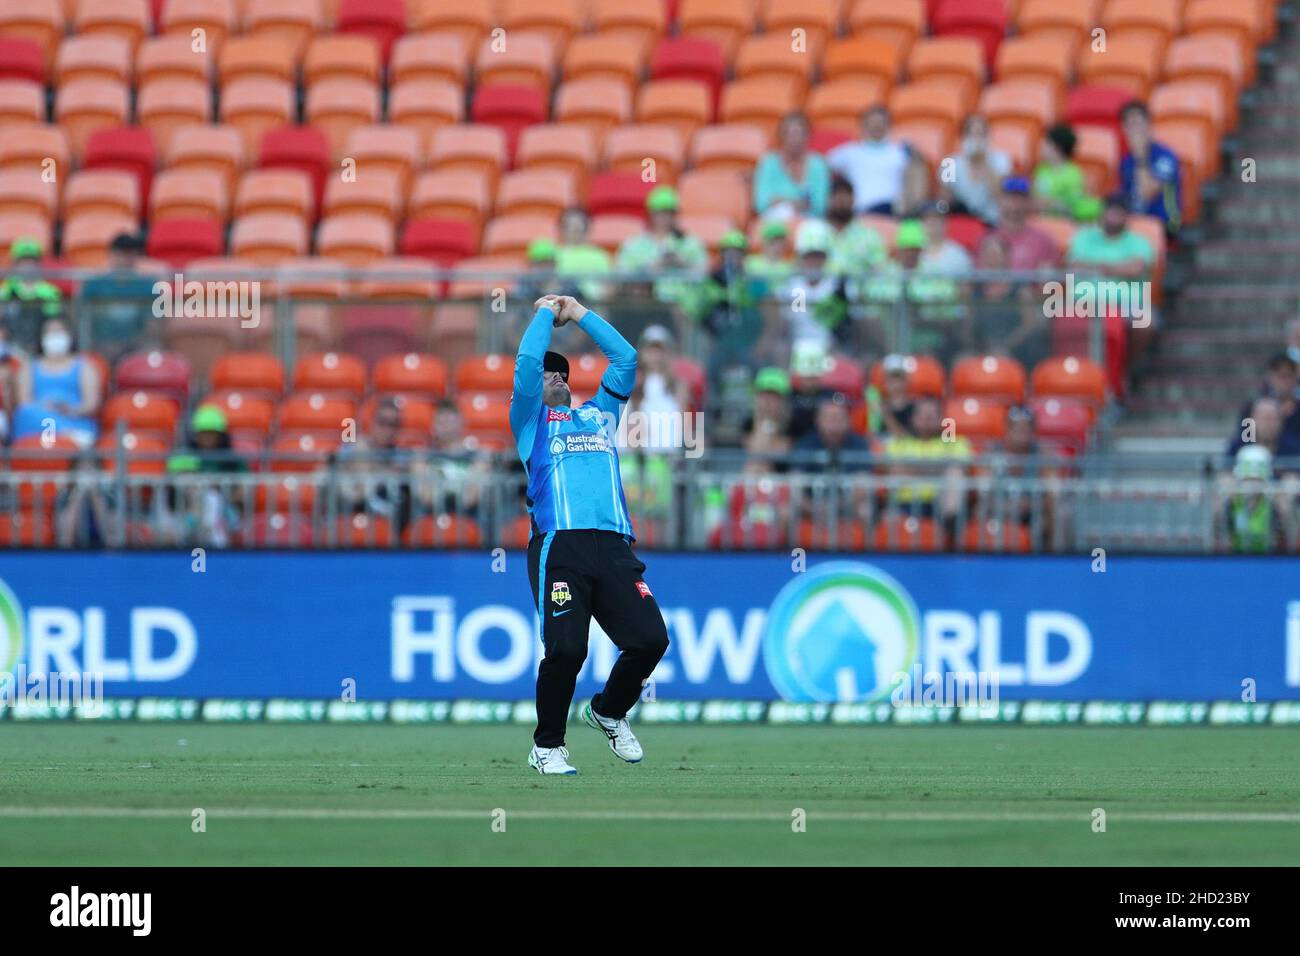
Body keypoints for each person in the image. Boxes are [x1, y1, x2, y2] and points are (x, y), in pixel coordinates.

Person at [510, 293, 669, 776]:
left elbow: (626, 358)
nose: (545, 379)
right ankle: (548, 746)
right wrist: (543, 312)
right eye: (542, 374)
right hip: (560, 545)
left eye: (553, 373)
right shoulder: (530, 422)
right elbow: (525, 365)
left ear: (563, 379)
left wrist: (578, 313)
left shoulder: (600, 414)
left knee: (649, 640)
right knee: (567, 650)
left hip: (614, 545)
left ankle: (608, 711)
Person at [12, 316, 101, 447]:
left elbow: (91, 404)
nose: (55, 336)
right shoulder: (29, 367)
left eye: (59, 332)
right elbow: (24, 403)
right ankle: (68, 435)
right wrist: (45, 409)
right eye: (50, 332)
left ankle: (70, 435)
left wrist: (71, 410)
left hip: (74, 419)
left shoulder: (84, 366)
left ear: (70, 336)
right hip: (38, 422)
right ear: (42, 338)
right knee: (26, 412)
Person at [616, 185, 707, 306]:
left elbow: (704, 277)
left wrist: (683, 264)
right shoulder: (634, 244)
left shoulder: (690, 243)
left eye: (669, 213)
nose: (664, 218)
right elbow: (622, 276)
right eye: (659, 213)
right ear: (651, 215)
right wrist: (652, 268)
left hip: (684, 306)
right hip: (646, 305)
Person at [80, 233, 160, 361]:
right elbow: (84, 323)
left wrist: (141, 349)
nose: (125, 260)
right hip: (102, 346)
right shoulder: (95, 285)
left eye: (130, 254)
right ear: (111, 255)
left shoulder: (148, 286)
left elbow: (153, 326)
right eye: (121, 254)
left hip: (136, 347)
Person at [827, 105, 911, 214]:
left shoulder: (900, 153)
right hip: (858, 212)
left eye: (880, 123)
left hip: (891, 212)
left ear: (888, 125)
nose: (876, 126)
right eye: (872, 123)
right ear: (863, 126)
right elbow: (821, 167)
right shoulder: (849, 152)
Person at [753, 111, 831, 220]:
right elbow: (761, 204)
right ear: (781, 136)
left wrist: (780, 200)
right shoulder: (768, 163)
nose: (795, 139)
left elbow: (821, 206)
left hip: (810, 222)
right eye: (790, 134)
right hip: (775, 222)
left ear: (808, 136)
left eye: (800, 134)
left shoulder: (818, 165)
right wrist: (796, 203)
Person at [939, 114, 1013, 225]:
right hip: (961, 221)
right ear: (962, 138)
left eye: (980, 134)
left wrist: (983, 163)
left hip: (991, 221)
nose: (976, 139)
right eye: (971, 134)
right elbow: (944, 202)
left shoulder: (1002, 160)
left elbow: (1001, 197)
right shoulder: (949, 164)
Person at [1119, 100, 1181, 231]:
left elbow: (1147, 193)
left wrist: (1140, 157)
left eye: (1138, 124)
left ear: (1149, 125)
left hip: (1165, 224)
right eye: (1129, 125)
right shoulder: (1126, 161)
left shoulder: (1165, 156)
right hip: (1133, 224)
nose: (1134, 131)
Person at [0, 237, 62, 353]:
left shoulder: (50, 292)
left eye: (31, 261)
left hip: (41, 349)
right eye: (23, 261)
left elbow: (53, 321)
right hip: (10, 349)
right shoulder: (5, 291)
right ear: (15, 264)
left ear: (38, 264)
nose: (27, 266)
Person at [1033, 123, 1091, 220]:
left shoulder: (1073, 175)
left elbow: (1073, 207)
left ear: (1057, 148)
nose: (1041, 148)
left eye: (1045, 144)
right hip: (1040, 220)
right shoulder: (1041, 170)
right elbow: (1034, 197)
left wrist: (1051, 203)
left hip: (1063, 223)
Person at [554, 206, 611, 302]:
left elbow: (608, 288)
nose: (574, 231)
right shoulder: (553, 254)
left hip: (592, 306)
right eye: (569, 226)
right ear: (561, 228)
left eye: (578, 227)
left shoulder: (600, 256)